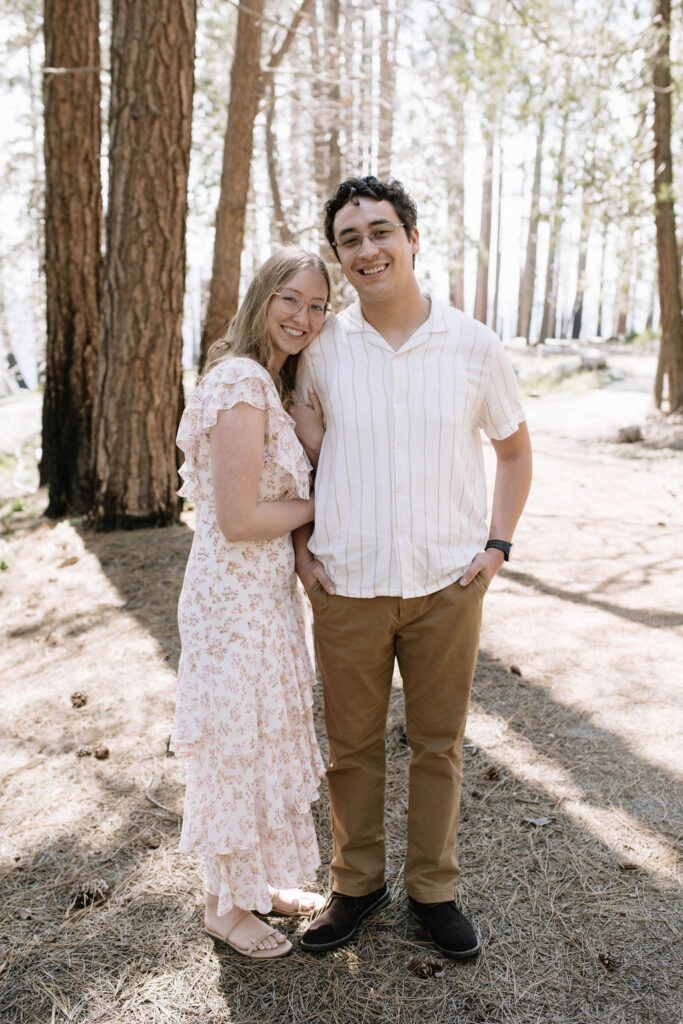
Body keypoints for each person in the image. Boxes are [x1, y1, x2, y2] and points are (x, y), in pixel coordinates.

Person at [290, 177, 532, 960]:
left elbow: (514, 451)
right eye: (350, 239)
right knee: (350, 747)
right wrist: (299, 548)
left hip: (445, 586)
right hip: (348, 583)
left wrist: (496, 547)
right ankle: (355, 885)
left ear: (413, 238)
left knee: (438, 745)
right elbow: (294, 462)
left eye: (379, 231)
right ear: (340, 256)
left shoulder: (472, 345)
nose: (367, 249)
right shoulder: (321, 349)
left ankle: (434, 890)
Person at [171, 248, 332, 960]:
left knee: (263, 740)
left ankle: (256, 885)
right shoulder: (239, 381)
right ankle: (221, 908)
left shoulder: (268, 382)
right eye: (290, 299)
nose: (303, 316)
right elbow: (237, 518)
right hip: (231, 600)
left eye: (317, 305)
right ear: (263, 297)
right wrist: (324, 504)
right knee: (236, 747)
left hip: (259, 594)